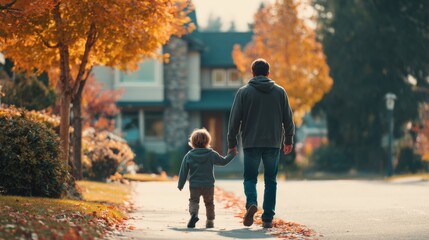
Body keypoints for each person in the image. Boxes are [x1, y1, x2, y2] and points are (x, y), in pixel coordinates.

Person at [227, 58, 295, 228]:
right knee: (271, 180)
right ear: (268, 73)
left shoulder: (243, 92)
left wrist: (231, 142)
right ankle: (267, 218)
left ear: (252, 73)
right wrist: (288, 139)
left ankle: (251, 202)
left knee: (250, 178)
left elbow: (234, 120)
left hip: (251, 142)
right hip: (272, 142)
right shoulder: (280, 92)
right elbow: (288, 119)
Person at [178, 128, 237, 228]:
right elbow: (223, 162)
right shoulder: (211, 154)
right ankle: (210, 221)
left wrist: (180, 184)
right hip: (208, 185)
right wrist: (232, 154)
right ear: (207, 141)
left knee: (193, 201)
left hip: (194, 185)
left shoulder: (189, 155)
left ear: (192, 142)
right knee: (209, 203)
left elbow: (183, 171)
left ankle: (194, 214)